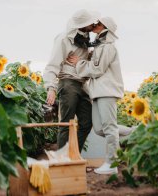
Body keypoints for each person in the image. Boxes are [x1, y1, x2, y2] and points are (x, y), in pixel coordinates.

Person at [67, 17, 124, 174]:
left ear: (105, 28)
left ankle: (112, 164)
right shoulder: (100, 46)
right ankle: (136, 132)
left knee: (110, 128)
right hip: (98, 92)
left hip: (107, 91)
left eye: (98, 24)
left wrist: (79, 62)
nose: (94, 25)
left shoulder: (107, 47)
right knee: (100, 129)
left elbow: (97, 70)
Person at [43, 9, 99, 151]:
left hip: (82, 84)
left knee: (87, 122)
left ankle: (73, 155)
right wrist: (51, 87)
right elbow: (53, 64)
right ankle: (62, 160)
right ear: (83, 24)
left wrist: (90, 56)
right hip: (68, 83)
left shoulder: (84, 36)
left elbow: (82, 60)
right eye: (91, 22)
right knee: (66, 124)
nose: (94, 24)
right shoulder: (64, 39)